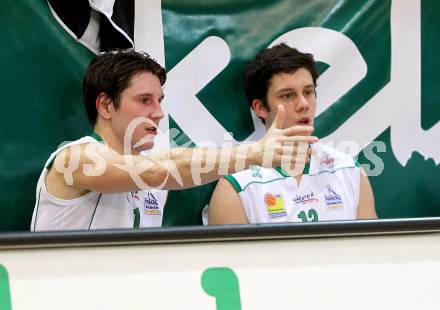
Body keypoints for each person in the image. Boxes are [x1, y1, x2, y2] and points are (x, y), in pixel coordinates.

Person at [31, 49, 318, 231]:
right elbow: (159, 170)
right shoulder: (74, 158)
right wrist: (256, 153)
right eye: (144, 100)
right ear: (105, 105)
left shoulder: (156, 181)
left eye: (160, 101)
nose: (158, 113)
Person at [208, 43, 377, 225]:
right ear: (260, 108)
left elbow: (372, 250)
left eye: (308, 92)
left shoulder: (349, 170)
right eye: (288, 95)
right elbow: (228, 254)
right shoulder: (235, 185)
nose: (303, 104)